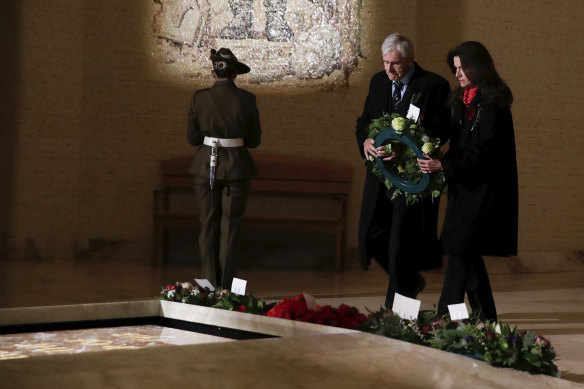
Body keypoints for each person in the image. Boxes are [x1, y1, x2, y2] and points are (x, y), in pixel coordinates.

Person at [418, 41, 518, 321]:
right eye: (456, 68)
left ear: (478, 67)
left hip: (484, 190)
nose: (457, 74)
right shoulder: (462, 100)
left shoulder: (494, 103)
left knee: (460, 248)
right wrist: (425, 148)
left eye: (462, 68)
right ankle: (487, 319)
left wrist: (444, 166)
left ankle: (444, 317)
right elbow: (455, 140)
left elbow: (484, 151)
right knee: (465, 251)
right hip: (464, 187)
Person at [355, 33, 451, 309]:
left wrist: (407, 149)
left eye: (395, 64)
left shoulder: (434, 86)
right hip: (379, 174)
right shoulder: (377, 81)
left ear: (410, 60)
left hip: (411, 178)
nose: (389, 69)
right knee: (372, 236)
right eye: (385, 62)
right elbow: (364, 121)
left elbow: (442, 131)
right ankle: (409, 280)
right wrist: (366, 141)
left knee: (401, 241)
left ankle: (395, 308)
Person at [187, 48, 262, 289]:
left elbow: (192, 138)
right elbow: (253, 141)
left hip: (205, 165)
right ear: (235, 75)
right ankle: (226, 288)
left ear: (213, 72)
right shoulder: (247, 100)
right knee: (230, 227)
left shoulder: (199, 98)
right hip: (236, 168)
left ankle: (208, 285)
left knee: (208, 226)